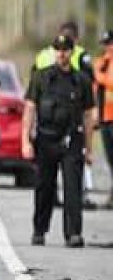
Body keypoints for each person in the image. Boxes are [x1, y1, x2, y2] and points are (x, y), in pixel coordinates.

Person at [22, 35, 96, 247]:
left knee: (73, 189)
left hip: (72, 139)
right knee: (44, 187)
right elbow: (29, 108)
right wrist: (25, 141)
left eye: (65, 50)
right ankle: (39, 229)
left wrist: (89, 149)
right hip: (46, 139)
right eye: (58, 49)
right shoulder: (41, 77)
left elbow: (89, 115)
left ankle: (73, 233)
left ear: (72, 52)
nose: (61, 53)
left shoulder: (81, 80)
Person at [33, 21, 97, 209]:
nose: (61, 53)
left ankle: (71, 227)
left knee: (64, 177)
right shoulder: (82, 55)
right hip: (57, 124)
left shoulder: (44, 55)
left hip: (64, 124)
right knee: (65, 178)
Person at [93, 30, 113, 209]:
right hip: (105, 118)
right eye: (105, 44)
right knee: (110, 158)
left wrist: (99, 75)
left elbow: (109, 82)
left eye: (110, 44)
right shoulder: (102, 62)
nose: (107, 48)